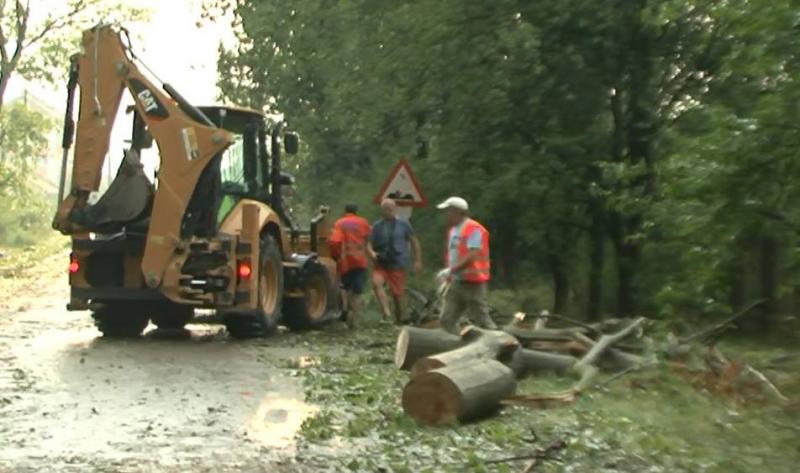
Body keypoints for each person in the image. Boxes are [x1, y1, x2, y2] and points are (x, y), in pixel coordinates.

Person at [435, 196, 497, 334]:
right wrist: (448, 277)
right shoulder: (453, 230)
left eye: (448, 210)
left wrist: (451, 270)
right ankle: (453, 347)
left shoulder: (474, 229)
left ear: (457, 211)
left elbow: (472, 255)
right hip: (456, 281)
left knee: (482, 319)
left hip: (473, 283)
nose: (446, 214)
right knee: (447, 320)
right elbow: (454, 255)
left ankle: (502, 344)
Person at [369, 198, 422, 323]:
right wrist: (371, 253)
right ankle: (386, 313)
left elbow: (414, 241)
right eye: (385, 210)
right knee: (376, 283)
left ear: (395, 209)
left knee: (397, 294)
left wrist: (417, 260)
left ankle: (400, 318)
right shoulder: (377, 225)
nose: (388, 212)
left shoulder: (404, 224)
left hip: (398, 262)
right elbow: (368, 243)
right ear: (382, 210)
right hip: (381, 261)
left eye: (390, 209)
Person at [329, 203, 371, 329]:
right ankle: (356, 321)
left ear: (345, 210)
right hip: (360, 261)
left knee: (344, 287)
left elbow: (335, 241)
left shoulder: (340, 223)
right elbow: (368, 239)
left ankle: (345, 311)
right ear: (356, 211)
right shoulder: (363, 223)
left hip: (346, 262)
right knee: (357, 292)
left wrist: (335, 256)